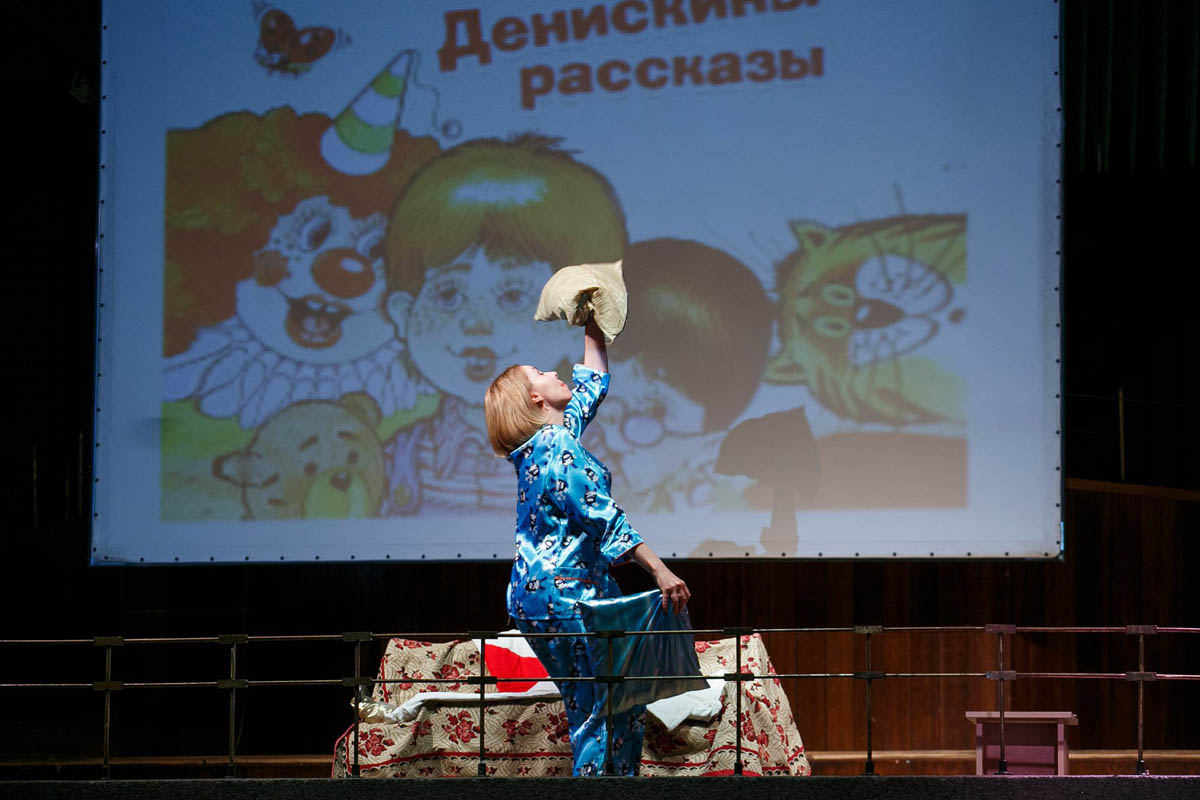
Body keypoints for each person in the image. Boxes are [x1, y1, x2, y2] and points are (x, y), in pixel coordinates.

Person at [484, 317, 690, 776]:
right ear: (534, 398)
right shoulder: (556, 444)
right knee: (605, 708)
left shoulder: (547, 442)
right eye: (540, 373)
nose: (555, 372)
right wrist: (660, 570)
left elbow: (590, 388)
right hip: (566, 594)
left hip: (541, 596)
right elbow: (601, 514)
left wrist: (593, 322)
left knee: (607, 705)